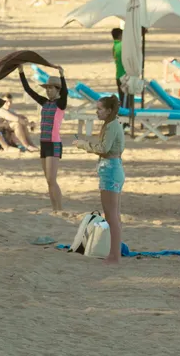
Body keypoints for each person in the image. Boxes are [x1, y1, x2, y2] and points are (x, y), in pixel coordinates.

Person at [74, 95, 125, 265]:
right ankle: (114, 253)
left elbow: (104, 148)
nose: (97, 112)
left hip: (110, 170)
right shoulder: (113, 124)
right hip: (113, 168)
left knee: (111, 216)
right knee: (114, 215)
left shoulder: (111, 126)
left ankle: (114, 256)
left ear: (109, 111)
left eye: (99, 109)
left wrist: (83, 144)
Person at [18, 66, 68, 213]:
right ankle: (55, 209)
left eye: (51, 88)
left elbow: (65, 92)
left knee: (52, 179)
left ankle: (60, 209)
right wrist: (21, 72)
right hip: (44, 144)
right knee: (48, 181)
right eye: (47, 88)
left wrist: (62, 75)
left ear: (57, 89)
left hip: (54, 144)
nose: (48, 91)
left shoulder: (61, 104)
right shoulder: (45, 103)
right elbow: (28, 90)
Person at [111, 27, 127, 105]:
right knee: (126, 101)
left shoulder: (115, 46)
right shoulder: (122, 45)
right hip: (124, 75)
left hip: (118, 74)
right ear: (121, 35)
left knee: (122, 98)